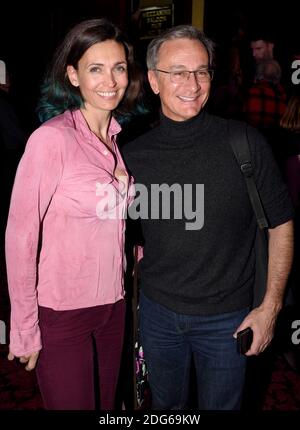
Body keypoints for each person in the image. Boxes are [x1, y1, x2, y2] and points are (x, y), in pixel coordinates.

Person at [122, 25, 294, 410]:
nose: (193, 83)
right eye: (178, 71)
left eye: (202, 71)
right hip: (157, 314)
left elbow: (282, 224)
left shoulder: (244, 142)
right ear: (153, 80)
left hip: (228, 318)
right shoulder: (132, 156)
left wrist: (270, 308)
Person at [5, 18, 141, 410]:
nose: (110, 80)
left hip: (114, 308)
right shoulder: (52, 139)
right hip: (63, 314)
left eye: (118, 67)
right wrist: (25, 327)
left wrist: (133, 254)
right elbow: (20, 238)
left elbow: (104, 219)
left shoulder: (115, 139)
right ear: (73, 75)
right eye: (95, 68)